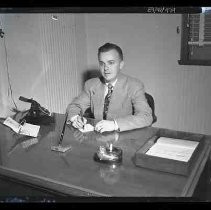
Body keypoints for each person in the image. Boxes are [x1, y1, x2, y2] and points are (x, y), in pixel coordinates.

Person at [66, 43, 153, 133]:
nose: (106, 68)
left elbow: (146, 116)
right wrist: (76, 118)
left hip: (124, 139)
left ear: (121, 65)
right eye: (102, 64)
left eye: (111, 63)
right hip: (99, 139)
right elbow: (74, 106)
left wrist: (115, 124)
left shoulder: (134, 85)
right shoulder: (91, 84)